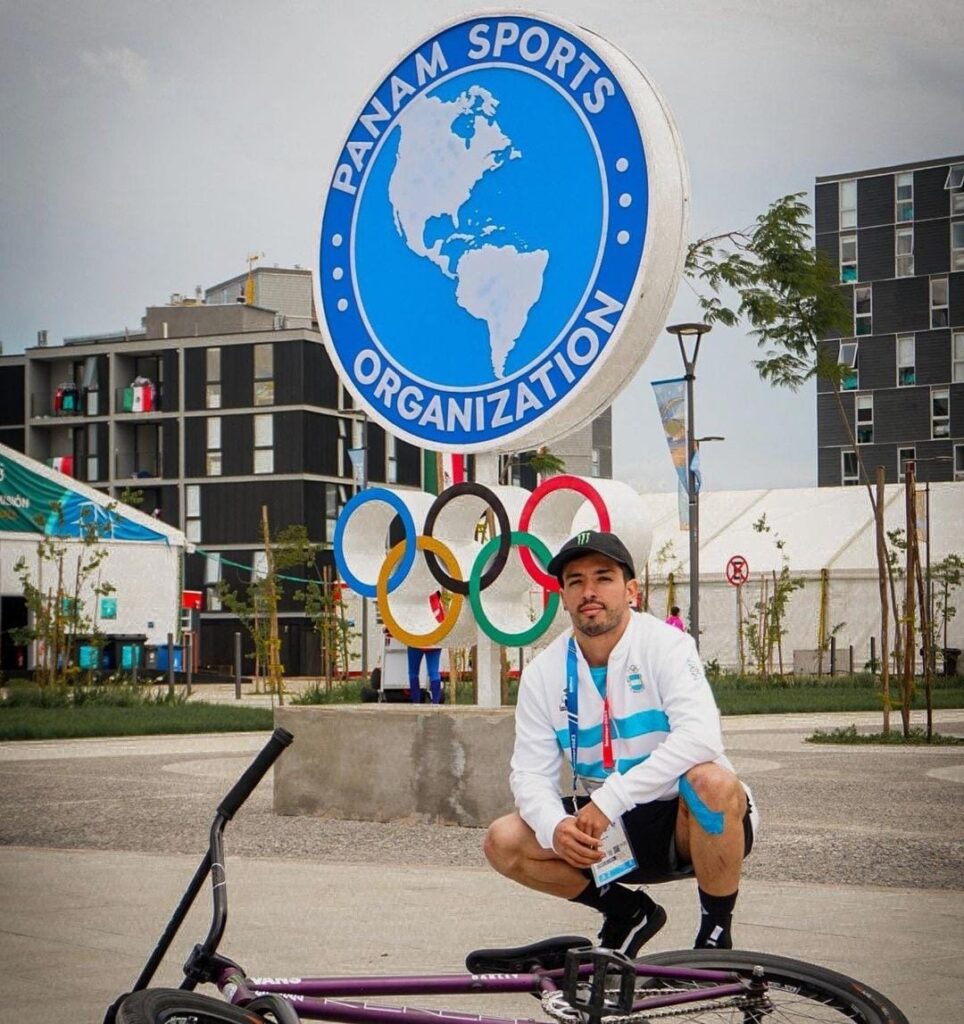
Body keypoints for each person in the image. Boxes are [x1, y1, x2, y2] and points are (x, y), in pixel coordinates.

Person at [484, 530, 757, 956]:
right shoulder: (544, 672)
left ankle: (715, 939)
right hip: (607, 830)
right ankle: (626, 911)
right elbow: (529, 774)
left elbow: (700, 736)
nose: (589, 591)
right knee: (503, 839)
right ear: (563, 595)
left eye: (603, 577)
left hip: (684, 820)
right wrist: (555, 829)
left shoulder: (666, 645)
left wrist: (613, 798)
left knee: (715, 783)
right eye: (575, 581)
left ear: (631, 589)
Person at [407, 591, 445, 704]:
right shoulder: (437, 600)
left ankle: (416, 703)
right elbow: (443, 621)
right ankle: (436, 703)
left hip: (416, 640)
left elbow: (407, 620)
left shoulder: (415, 600)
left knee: (413, 672)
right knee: (434, 672)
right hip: (434, 641)